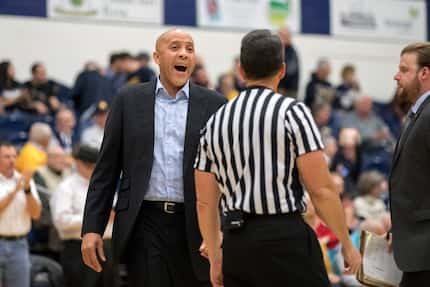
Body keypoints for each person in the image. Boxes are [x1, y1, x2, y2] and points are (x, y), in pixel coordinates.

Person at [194, 29, 361, 287]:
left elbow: (205, 203)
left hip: (237, 243)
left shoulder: (214, 122)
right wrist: (347, 244)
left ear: (241, 70)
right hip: (285, 239)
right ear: (282, 71)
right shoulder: (293, 112)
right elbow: (322, 190)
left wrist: (216, 258)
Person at [81, 29, 227, 287]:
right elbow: (106, 170)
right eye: (175, 47)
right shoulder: (128, 99)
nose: (183, 53)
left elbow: (228, 174)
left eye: (189, 49)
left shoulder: (215, 104)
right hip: (144, 222)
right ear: (157, 57)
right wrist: (92, 227)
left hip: (197, 222)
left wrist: (220, 229)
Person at [389, 42, 430, 286]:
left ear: (424, 73)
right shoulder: (419, 112)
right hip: (415, 247)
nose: (397, 75)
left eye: (404, 70)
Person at [51, 144, 118, 287]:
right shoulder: (66, 187)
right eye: (89, 165)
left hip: (108, 247)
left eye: (95, 165)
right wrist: (96, 219)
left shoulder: (106, 185)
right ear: (78, 163)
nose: (92, 169)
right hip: (78, 249)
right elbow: (61, 220)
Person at [0, 141, 42, 287]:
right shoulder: (18, 184)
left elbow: (36, 214)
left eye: (14, 156)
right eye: (6, 157)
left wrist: (27, 190)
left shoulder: (26, 182)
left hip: (19, 244)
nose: (12, 160)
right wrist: (15, 191)